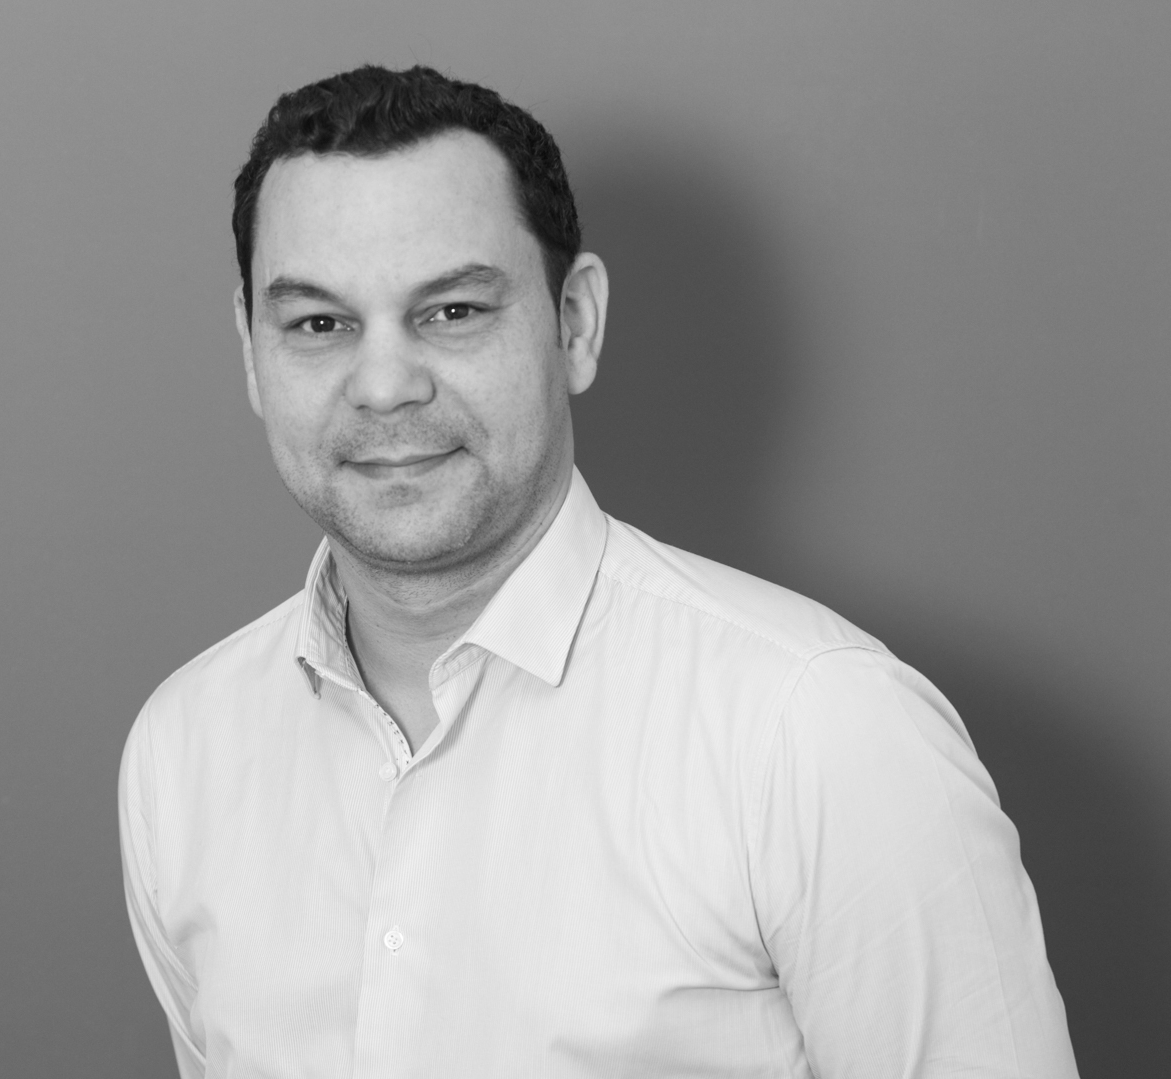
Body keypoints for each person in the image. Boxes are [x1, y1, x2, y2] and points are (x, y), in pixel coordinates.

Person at [119, 64, 1080, 1078]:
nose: (385, 384)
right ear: (252, 350)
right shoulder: (183, 752)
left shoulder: (819, 730)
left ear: (574, 322)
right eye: (319, 323)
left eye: (452, 310)